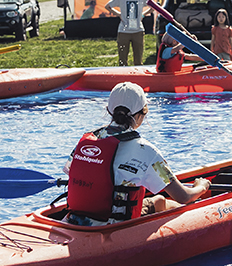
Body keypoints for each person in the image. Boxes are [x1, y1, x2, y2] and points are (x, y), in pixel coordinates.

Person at [66, 82, 213, 226]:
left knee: (159, 201)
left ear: (109, 110)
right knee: (168, 203)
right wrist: (202, 186)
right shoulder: (145, 150)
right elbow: (183, 197)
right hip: (114, 226)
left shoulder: (85, 141)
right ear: (143, 113)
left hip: (75, 220)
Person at [106, 0, 149, 66]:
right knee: (122, 58)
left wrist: (143, 14)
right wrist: (118, 14)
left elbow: (154, 6)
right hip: (123, 31)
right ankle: (123, 74)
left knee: (138, 58)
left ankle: (138, 75)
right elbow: (107, 6)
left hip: (138, 31)